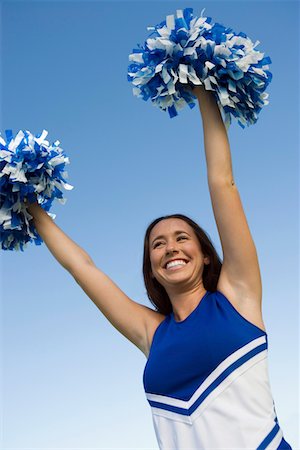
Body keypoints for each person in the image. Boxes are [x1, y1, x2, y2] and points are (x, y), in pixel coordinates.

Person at [26, 85, 292, 449]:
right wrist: (29, 206)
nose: (171, 248)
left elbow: (223, 184)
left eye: (182, 238)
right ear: (151, 269)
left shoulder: (238, 297)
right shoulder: (152, 334)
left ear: (206, 255)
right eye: (158, 244)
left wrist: (203, 92)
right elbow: (82, 267)